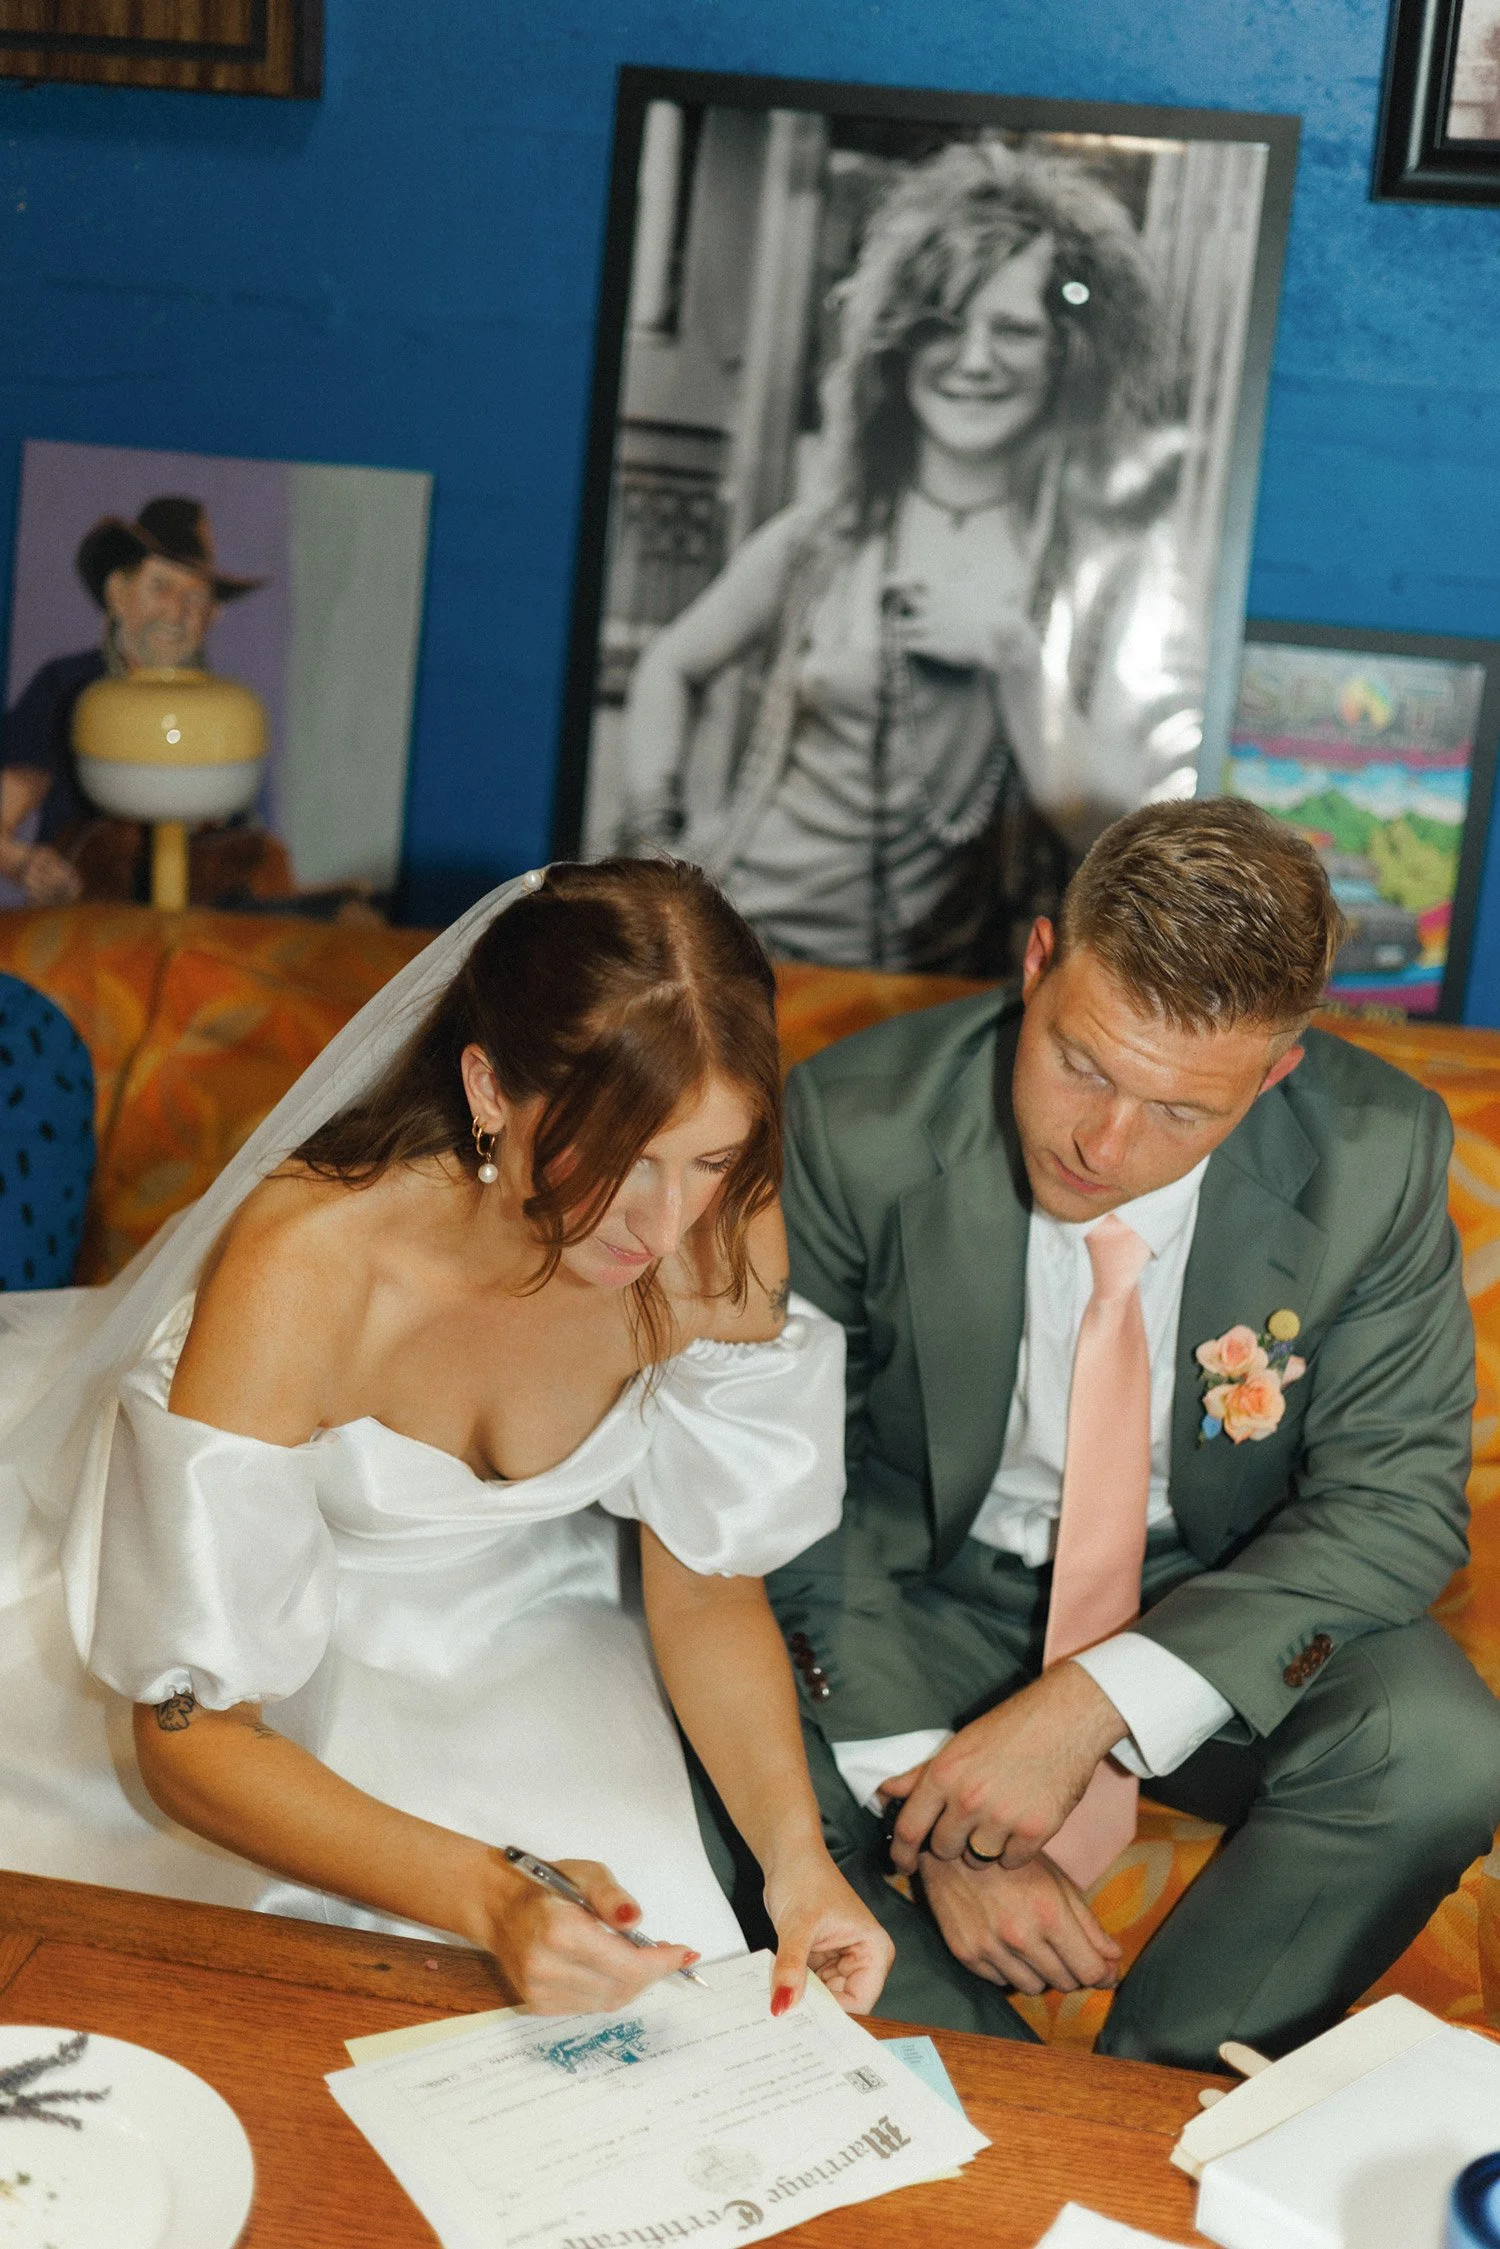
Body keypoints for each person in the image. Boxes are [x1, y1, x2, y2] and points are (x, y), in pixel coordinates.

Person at [0, 859, 892, 2018]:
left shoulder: (724, 1236)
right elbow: (187, 1734)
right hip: (247, 1642)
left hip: (525, 1623)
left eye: (710, 1158)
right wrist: (491, 1892)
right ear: (487, 1087)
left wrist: (798, 1863)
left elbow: (711, 1589)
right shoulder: (312, 1262)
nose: (663, 1225)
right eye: (615, 1156)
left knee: (663, 1979)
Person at [768, 797, 1500, 2066]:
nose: (1103, 1144)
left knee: (1437, 1748)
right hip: (920, 1592)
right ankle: (993, 2136)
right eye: (1082, 1063)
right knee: (723, 1733)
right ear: (1041, 962)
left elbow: (1396, 1503)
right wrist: (937, 1819)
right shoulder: (854, 1122)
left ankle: (1156, 2113)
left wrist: (1091, 1701)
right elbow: (788, 1482)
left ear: (1274, 1075)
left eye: (1180, 1112)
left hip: (1215, 1594)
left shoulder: (1376, 1154)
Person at [619, 139, 1200, 976]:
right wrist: (654, 841)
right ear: (897, 345)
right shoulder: (824, 537)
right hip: (739, 966)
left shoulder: (1093, 572)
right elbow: (668, 663)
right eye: (945, 325)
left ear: (1067, 356)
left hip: (932, 1001)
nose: (972, 360)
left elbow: (1113, 830)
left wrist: (1012, 661)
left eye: (1013, 330)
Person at [0, 496, 277, 907]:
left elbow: (239, 848)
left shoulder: (224, 713)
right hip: (88, 915)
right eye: (160, 586)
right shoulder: (66, 687)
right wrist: (27, 865)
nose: (176, 612)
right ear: (119, 592)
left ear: (212, 615)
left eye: (196, 596)